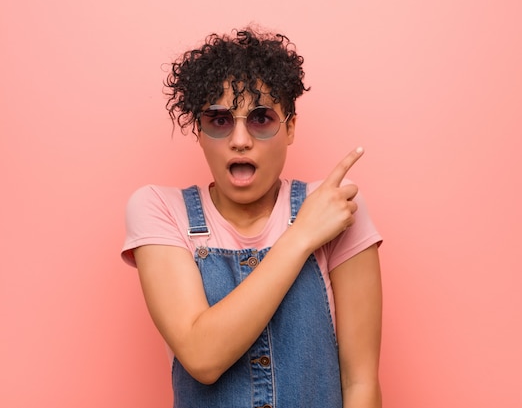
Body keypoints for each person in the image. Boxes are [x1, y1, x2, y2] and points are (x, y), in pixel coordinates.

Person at [122, 27, 383, 408]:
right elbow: (202, 356)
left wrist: (313, 224)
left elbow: (360, 382)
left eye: (261, 119)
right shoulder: (159, 210)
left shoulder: (336, 208)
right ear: (199, 129)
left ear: (290, 127)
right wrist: (300, 236)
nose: (240, 139)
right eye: (220, 120)